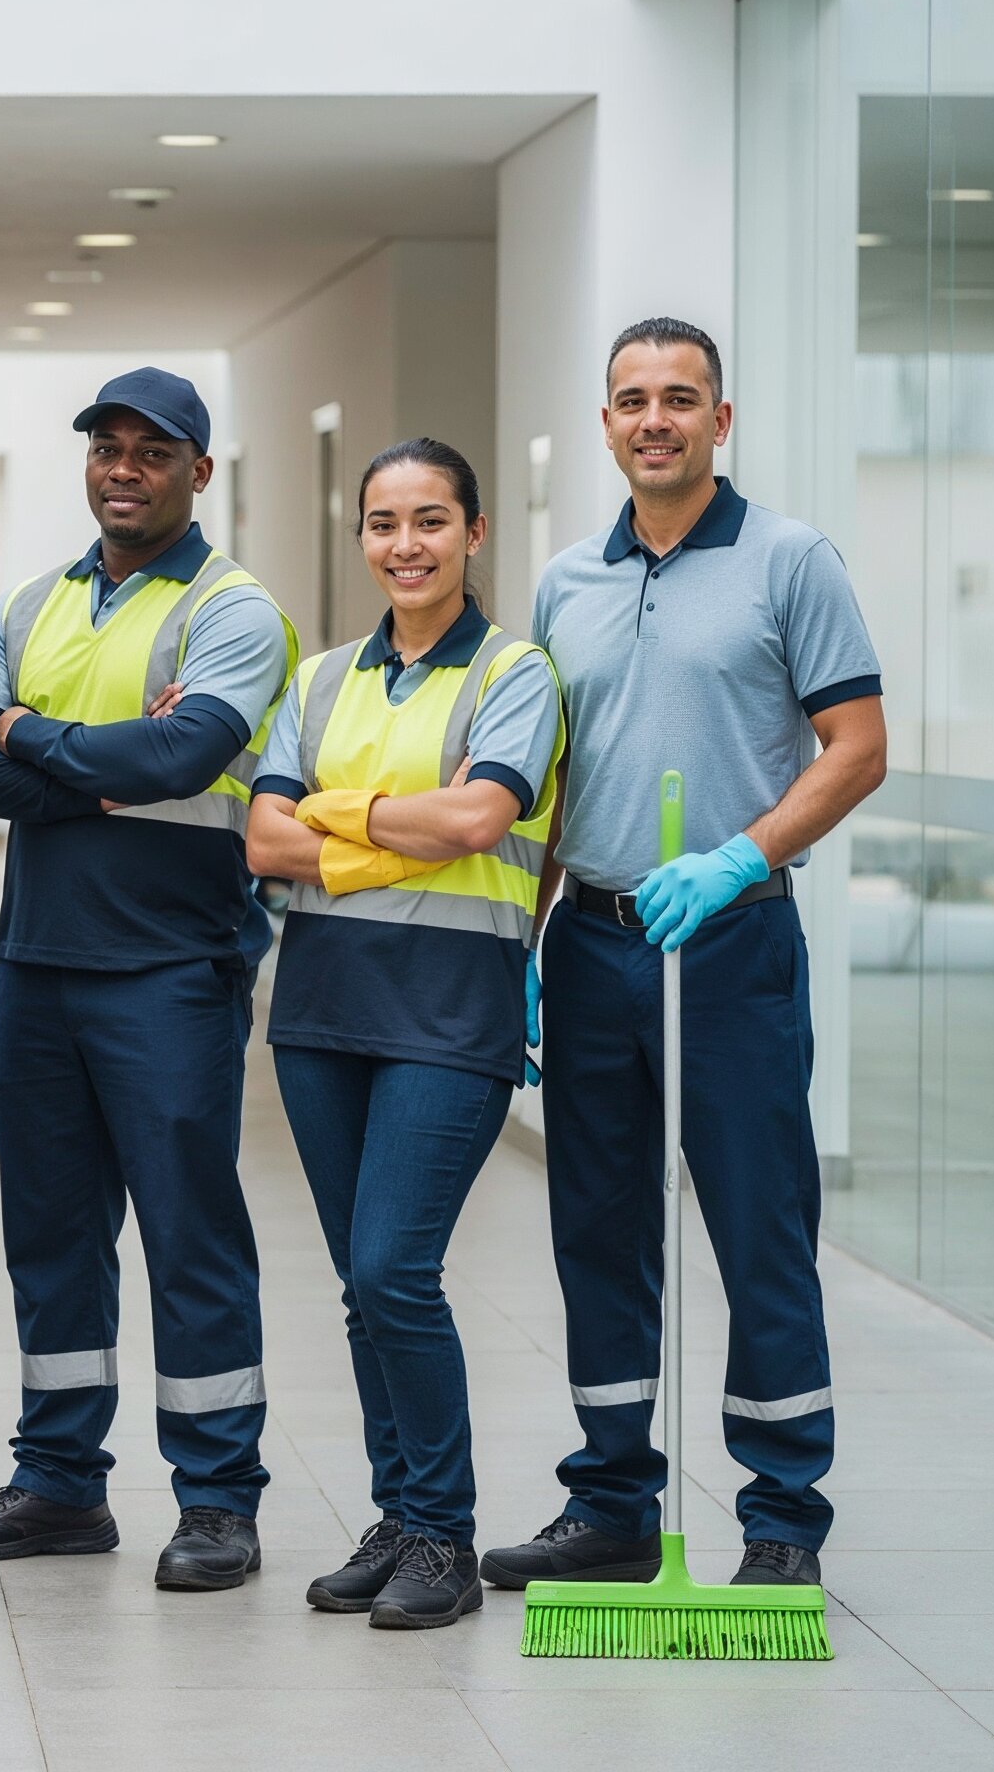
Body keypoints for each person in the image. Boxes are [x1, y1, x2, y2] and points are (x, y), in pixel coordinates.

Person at [480, 318, 885, 1594]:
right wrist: (527, 934)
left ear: (722, 418)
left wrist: (738, 857)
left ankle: (780, 1514)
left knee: (758, 1221)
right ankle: (608, 1502)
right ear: (603, 423)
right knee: (597, 1227)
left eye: (680, 397)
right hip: (593, 940)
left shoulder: (788, 560)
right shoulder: (563, 583)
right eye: (630, 399)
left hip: (728, 938)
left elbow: (857, 746)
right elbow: (550, 774)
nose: (654, 418)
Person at [0, 368, 297, 1593]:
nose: (124, 468)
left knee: (190, 1234)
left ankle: (216, 1499)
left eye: (154, 450)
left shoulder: (234, 610)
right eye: (108, 448)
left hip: (170, 969)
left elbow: (185, 749)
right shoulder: (33, 602)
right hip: (36, 967)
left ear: (199, 468)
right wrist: (93, 766)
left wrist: (29, 733)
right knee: (50, 1235)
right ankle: (58, 1481)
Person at [245, 438, 563, 1629]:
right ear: (363, 538)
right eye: (384, 524)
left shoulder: (514, 671)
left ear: (474, 534)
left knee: (395, 1266)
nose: (406, 545)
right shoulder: (322, 677)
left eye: (431, 521)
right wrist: (396, 828)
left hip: (450, 1010)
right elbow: (260, 840)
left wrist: (335, 814)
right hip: (324, 1010)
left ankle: (443, 1531)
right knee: (357, 1284)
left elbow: (482, 812)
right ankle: (400, 1510)